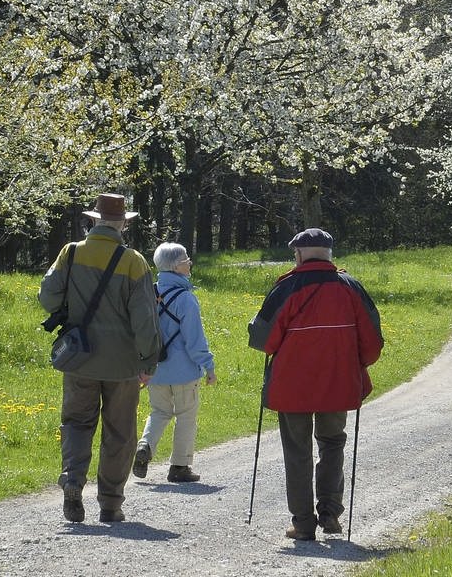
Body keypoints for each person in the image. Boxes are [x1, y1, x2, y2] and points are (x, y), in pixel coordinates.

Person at [248, 227, 384, 541]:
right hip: (338, 383)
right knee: (333, 443)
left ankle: (303, 523)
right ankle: (331, 513)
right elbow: (373, 341)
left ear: (298, 254)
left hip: (292, 386)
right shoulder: (351, 287)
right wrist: (355, 364)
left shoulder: (287, 287)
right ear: (329, 253)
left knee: (298, 452)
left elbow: (264, 341)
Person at [38, 192, 162, 524]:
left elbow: (48, 297)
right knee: (120, 432)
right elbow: (145, 319)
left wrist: (69, 308)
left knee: (77, 422)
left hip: (79, 358)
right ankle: (110, 504)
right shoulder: (133, 261)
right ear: (123, 223)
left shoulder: (72, 252)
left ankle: (73, 481)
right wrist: (149, 360)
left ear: (93, 220)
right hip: (122, 365)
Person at [135, 242, 217, 484]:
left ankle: (145, 445)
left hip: (154, 370)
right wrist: (209, 367)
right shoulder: (186, 299)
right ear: (176, 266)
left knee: (159, 412)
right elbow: (194, 341)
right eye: (185, 260)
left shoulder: (147, 294)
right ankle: (179, 466)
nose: (189, 263)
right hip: (183, 371)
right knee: (186, 416)